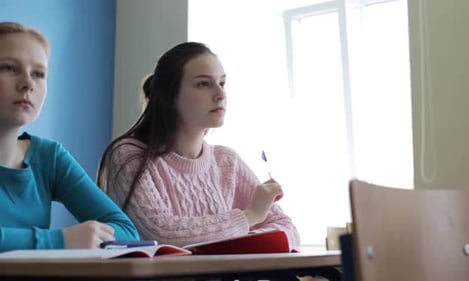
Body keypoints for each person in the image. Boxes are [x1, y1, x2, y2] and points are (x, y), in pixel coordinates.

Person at [98, 42, 300, 248]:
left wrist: (244, 237)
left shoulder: (227, 162)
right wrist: (250, 216)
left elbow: (287, 228)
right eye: (203, 84)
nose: (220, 94)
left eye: (222, 83)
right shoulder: (129, 155)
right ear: (170, 95)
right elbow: (163, 233)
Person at [0, 21, 139, 252]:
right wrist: (59, 241)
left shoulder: (49, 157)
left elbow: (127, 231)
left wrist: (92, 236)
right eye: (8, 68)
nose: (27, 84)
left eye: (38, 74)